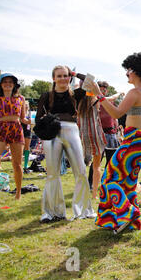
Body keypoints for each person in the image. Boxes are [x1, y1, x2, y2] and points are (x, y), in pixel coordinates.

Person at [85, 52, 141, 234]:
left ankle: (127, 213)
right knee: (129, 182)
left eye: (129, 70)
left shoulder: (134, 92)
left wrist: (99, 95)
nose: (127, 74)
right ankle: (127, 222)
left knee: (109, 179)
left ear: (138, 72)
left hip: (132, 140)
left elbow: (117, 114)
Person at [36, 66, 96, 222]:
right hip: (52, 133)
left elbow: (90, 79)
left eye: (66, 75)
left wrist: (74, 73)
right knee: (52, 174)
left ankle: (84, 210)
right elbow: (37, 120)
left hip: (71, 130)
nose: (63, 78)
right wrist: (47, 124)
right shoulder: (46, 96)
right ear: (53, 78)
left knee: (81, 171)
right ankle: (52, 212)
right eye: (59, 76)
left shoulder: (75, 94)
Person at [0, 73, 28, 200]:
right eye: (5, 81)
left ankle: (18, 193)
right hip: (0, 128)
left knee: (17, 164)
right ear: (1, 84)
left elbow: (23, 118)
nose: (8, 84)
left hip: (16, 129)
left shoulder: (21, 98)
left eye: (10, 82)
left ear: (14, 84)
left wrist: (37, 121)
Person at [76, 81, 107, 200]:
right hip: (95, 135)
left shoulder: (77, 101)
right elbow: (109, 98)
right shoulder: (96, 99)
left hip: (81, 135)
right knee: (96, 166)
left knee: (81, 166)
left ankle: (81, 191)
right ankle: (94, 194)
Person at [21, 100, 32, 173]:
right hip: (21, 131)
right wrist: (29, 121)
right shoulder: (21, 114)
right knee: (21, 148)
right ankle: (19, 164)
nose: (26, 106)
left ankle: (25, 165)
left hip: (28, 132)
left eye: (27, 105)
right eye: (25, 105)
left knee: (27, 148)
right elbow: (23, 121)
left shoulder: (30, 113)